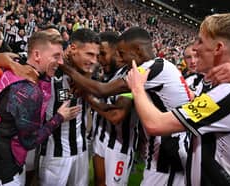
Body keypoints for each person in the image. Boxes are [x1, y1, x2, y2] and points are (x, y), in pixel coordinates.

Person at [126, 13, 230, 186]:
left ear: (218, 48)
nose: (194, 48)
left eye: (200, 41)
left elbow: (155, 124)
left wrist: (137, 88)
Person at [61, 27, 191, 186]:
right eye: (93, 54)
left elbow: (107, 102)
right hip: (96, 140)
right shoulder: (107, 74)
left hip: (153, 150)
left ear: (137, 50)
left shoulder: (143, 70)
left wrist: (65, 68)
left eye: (120, 53)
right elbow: (73, 93)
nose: (97, 60)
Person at [0, 31, 80, 185]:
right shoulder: (28, 90)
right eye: (56, 56)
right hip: (5, 168)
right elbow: (29, 142)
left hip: (0, 152)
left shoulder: (21, 65)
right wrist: (59, 117)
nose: (61, 61)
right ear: (37, 55)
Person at [38, 28, 100, 186]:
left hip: (81, 149)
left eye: (96, 56)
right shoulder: (51, 68)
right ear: (72, 48)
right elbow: (6, 59)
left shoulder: (87, 74)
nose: (94, 60)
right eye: (89, 54)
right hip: (56, 153)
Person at [89, 31, 139, 186]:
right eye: (97, 56)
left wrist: (87, 97)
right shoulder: (106, 75)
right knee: (99, 182)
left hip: (119, 146)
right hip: (100, 137)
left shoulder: (130, 75)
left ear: (117, 52)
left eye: (103, 54)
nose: (99, 60)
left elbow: (116, 115)